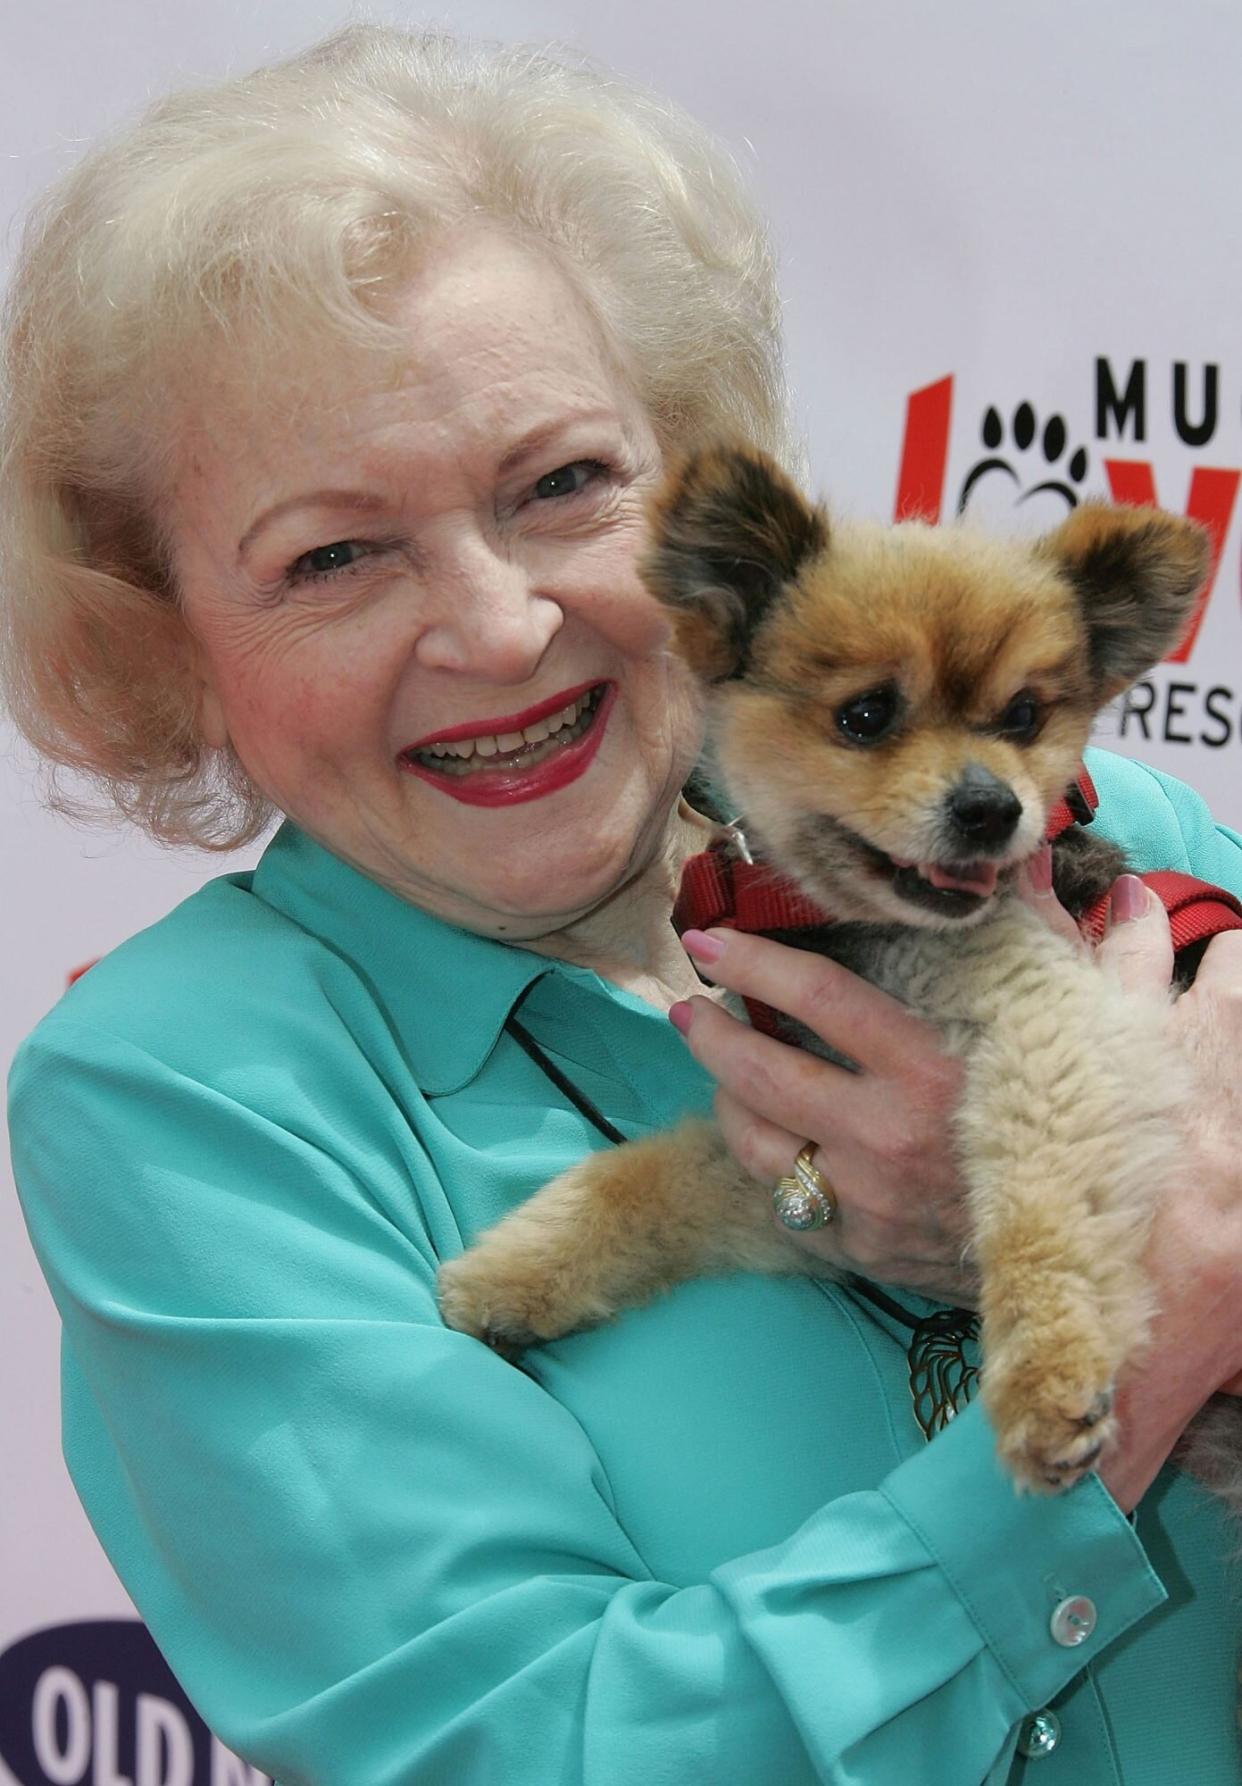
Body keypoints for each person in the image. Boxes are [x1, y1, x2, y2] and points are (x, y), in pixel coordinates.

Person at [4, 24, 1242, 1785]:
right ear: (169, 642)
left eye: (562, 483)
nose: (501, 627)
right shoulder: (185, 1102)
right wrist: (1164, 1294)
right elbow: (539, 1751)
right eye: (332, 554)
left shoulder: (1097, 834)